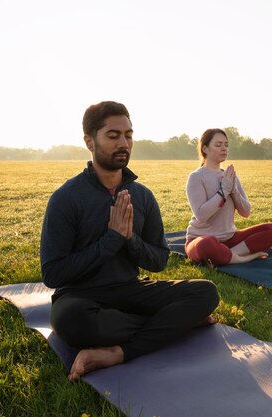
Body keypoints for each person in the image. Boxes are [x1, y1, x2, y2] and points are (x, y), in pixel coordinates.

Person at [40, 101, 219, 381]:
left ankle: (118, 352)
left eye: (128, 135)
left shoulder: (143, 196)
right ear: (89, 141)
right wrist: (110, 240)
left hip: (131, 291)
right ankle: (175, 324)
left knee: (205, 293)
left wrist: (129, 239)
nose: (123, 143)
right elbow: (53, 273)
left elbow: (159, 260)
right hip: (82, 296)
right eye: (113, 136)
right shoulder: (66, 198)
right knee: (71, 321)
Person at [184, 128, 272, 266]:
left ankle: (229, 254)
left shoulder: (230, 176)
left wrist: (234, 191)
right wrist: (223, 190)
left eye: (226, 145)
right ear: (205, 148)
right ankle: (242, 257)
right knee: (207, 244)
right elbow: (202, 215)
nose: (224, 148)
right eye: (218, 145)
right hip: (201, 238)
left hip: (230, 238)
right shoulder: (196, 177)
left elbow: (246, 212)